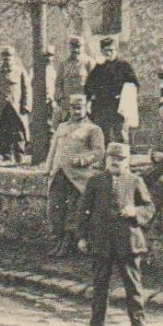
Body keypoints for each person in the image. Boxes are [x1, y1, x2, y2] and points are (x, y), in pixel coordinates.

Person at [78, 143, 155, 326]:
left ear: (127, 161)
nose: (115, 162)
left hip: (128, 240)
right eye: (112, 158)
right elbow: (83, 211)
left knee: (133, 284)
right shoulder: (95, 182)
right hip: (101, 240)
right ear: (106, 160)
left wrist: (135, 211)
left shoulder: (135, 181)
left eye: (120, 159)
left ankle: (138, 322)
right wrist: (81, 237)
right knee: (99, 284)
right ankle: (96, 325)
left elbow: (149, 207)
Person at [44, 94, 105, 257]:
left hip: (78, 176)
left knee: (74, 210)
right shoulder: (62, 126)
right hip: (60, 173)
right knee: (55, 208)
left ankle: (68, 243)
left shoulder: (93, 129)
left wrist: (84, 160)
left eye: (80, 108)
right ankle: (58, 240)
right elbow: (53, 148)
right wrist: (48, 168)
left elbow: (99, 152)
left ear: (87, 108)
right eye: (73, 108)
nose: (76, 111)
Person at [85, 36, 139, 144]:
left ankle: (121, 159)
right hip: (101, 107)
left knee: (120, 136)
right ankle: (103, 159)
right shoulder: (98, 68)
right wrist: (91, 97)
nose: (109, 53)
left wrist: (124, 97)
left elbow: (134, 85)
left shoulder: (124, 67)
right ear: (102, 51)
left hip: (118, 107)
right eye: (106, 51)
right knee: (102, 137)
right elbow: (88, 86)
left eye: (111, 50)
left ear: (116, 50)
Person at [0, 46, 30, 162]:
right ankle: (6, 156)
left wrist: (26, 105)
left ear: (13, 57)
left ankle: (20, 155)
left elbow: (26, 89)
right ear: (1, 58)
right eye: (4, 56)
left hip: (16, 108)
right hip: (1, 108)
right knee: (3, 132)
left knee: (19, 132)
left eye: (9, 56)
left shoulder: (20, 72)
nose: (7, 59)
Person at [31, 45, 59, 164]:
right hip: (38, 102)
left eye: (51, 56)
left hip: (50, 102)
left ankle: (49, 155)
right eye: (46, 56)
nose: (49, 58)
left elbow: (55, 86)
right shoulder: (35, 70)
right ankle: (38, 154)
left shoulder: (52, 70)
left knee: (50, 129)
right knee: (38, 127)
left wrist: (53, 99)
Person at [55, 36, 91, 111]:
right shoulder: (64, 64)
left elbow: (94, 84)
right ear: (70, 47)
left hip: (83, 105)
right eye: (73, 47)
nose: (76, 50)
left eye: (78, 47)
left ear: (83, 47)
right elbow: (58, 84)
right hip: (67, 105)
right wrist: (60, 98)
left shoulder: (89, 63)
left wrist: (89, 102)